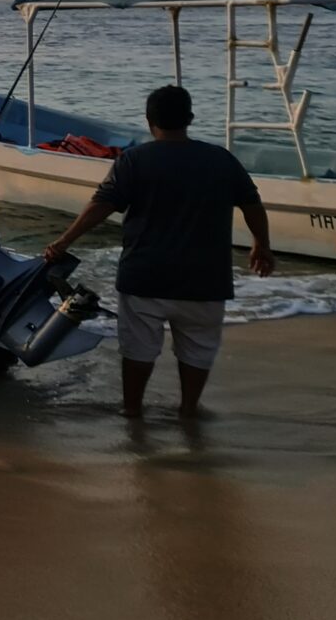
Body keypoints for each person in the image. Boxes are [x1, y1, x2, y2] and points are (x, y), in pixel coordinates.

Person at [43, 84, 273, 420]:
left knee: (138, 348)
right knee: (198, 349)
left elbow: (100, 206)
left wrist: (63, 242)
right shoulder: (221, 160)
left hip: (145, 278)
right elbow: (252, 204)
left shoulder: (134, 160)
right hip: (206, 281)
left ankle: (132, 410)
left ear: (149, 121)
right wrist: (262, 245)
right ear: (190, 119)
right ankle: (188, 410)